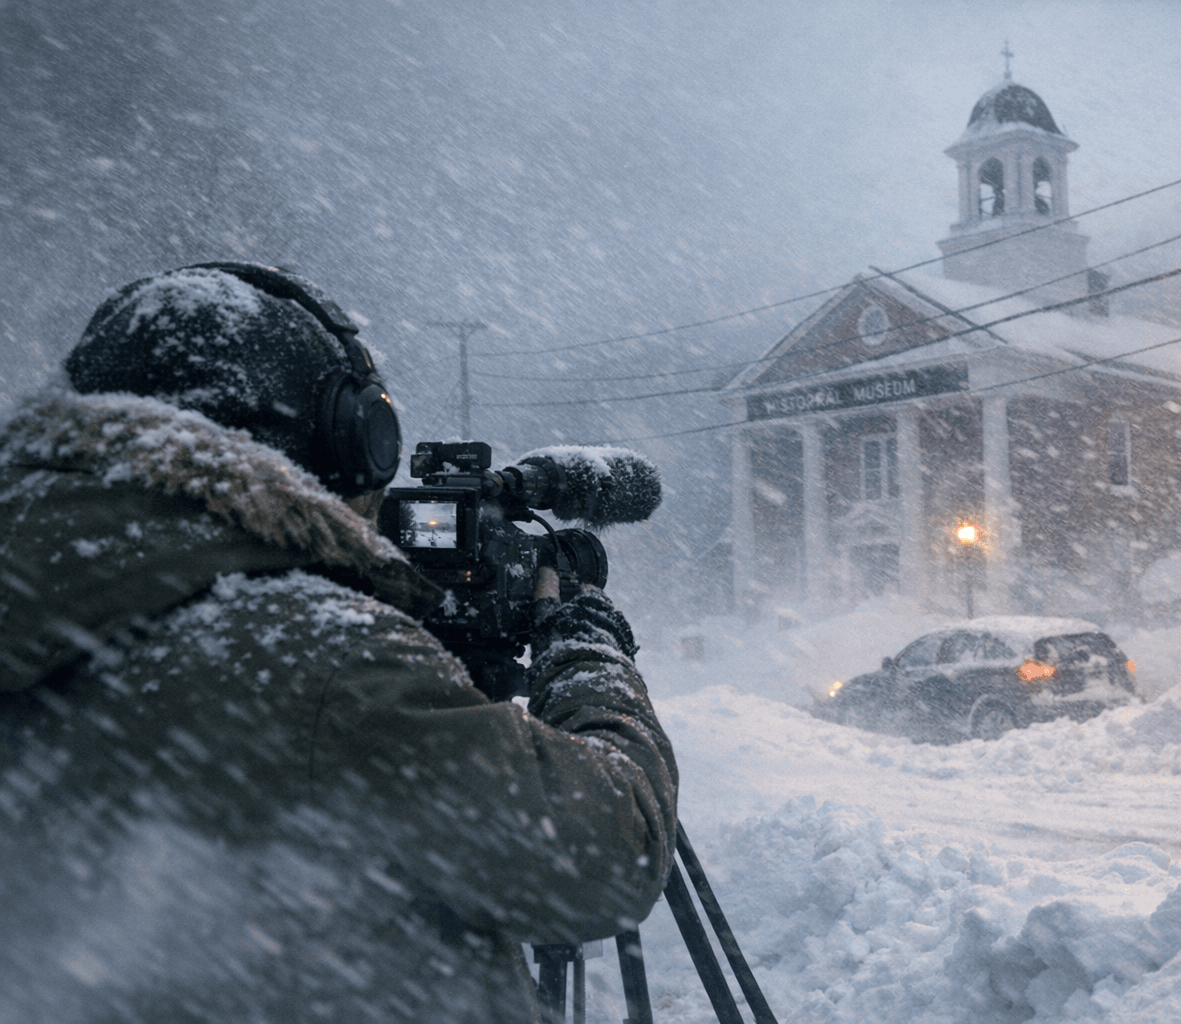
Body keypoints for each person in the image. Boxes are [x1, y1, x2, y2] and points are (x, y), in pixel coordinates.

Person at [0, 263, 679, 1022]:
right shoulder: (314, 657)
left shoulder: (54, 597)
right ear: (346, 435)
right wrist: (584, 644)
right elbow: (613, 851)